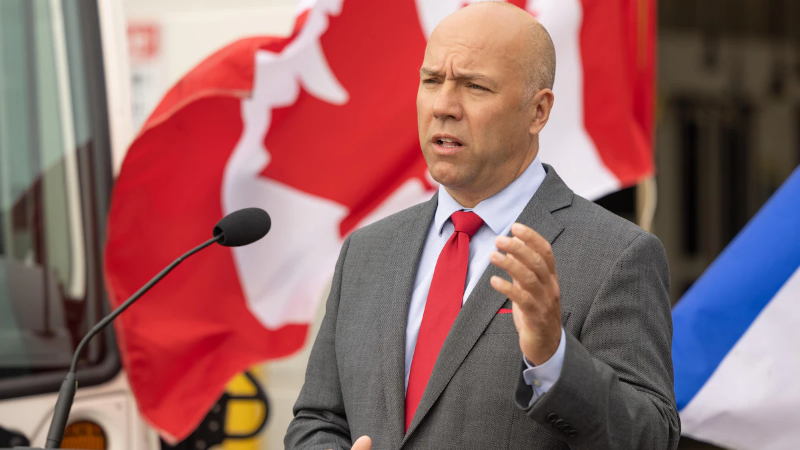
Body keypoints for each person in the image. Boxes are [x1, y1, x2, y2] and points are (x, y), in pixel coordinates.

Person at [285, 2, 679, 449]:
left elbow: (650, 437)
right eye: (432, 80)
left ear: (538, 111)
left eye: (474, 86)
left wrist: (553, 358)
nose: (443, 106)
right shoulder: (367, 250)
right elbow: (318, 419)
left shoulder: (617, 256)